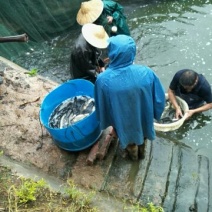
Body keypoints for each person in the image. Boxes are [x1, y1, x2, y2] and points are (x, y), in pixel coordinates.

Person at [94, 35, 165, 161]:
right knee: (143, 136)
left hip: (122, 121)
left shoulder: (103, 80)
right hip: (143, 117)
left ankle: (133, 157)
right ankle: (142, 154)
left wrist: (111, 124)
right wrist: (156, 114)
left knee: (129, 141)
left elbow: (103, 106)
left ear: (112, 53)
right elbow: (159, 99)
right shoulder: (146, 72)